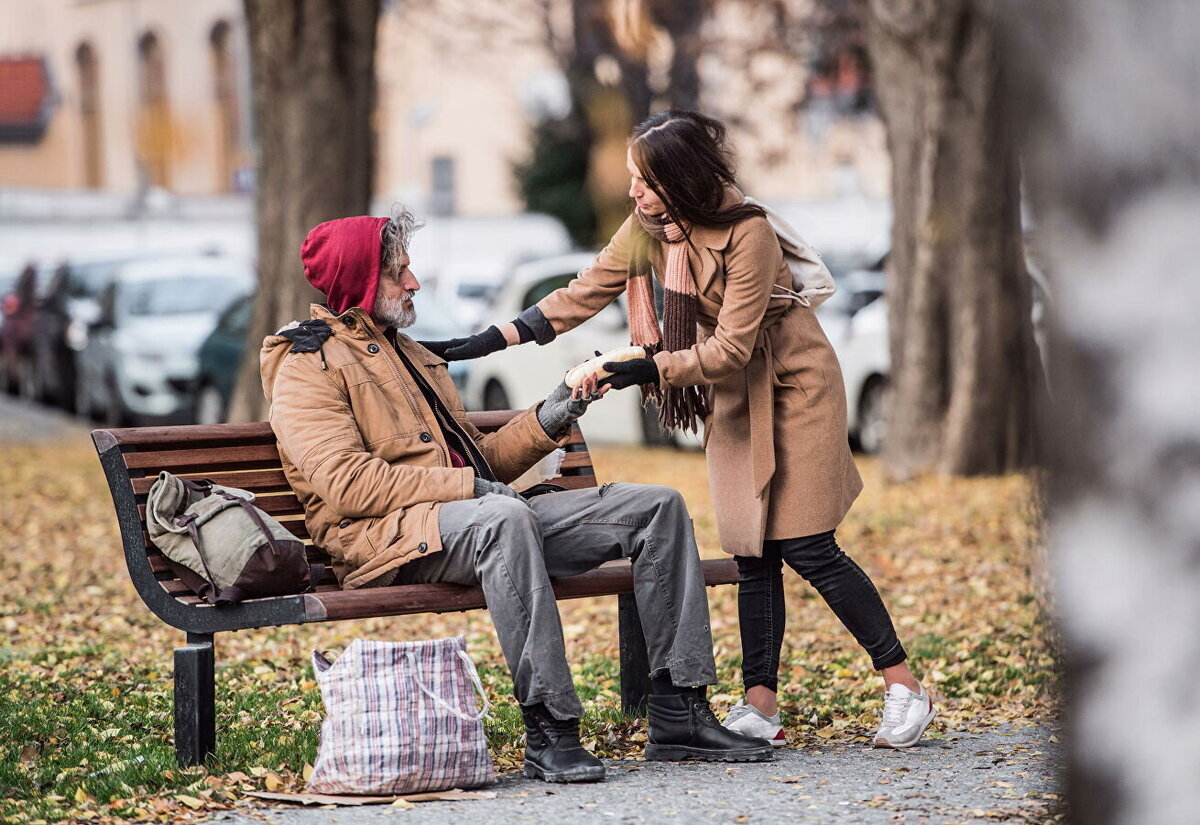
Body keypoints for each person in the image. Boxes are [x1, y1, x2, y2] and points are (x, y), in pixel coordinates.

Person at [421, 111, 935, 750]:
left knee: (807, 546)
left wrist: (640, 366)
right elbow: (584, 292)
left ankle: (904, 687)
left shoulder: (748, 233)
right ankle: (761, 708)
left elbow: (731, 350)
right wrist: (476, 342)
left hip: (791, 389)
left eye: (644, 180)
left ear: (680, 180)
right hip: (734, 403)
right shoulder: (650, 228)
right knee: (752, 554)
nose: (633, 193)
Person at [260, 209, 775, 785]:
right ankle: (550, 728)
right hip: (385, 541)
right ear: (358, 280)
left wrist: (556, 411)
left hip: (473, 521)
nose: (415, 282)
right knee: (504, 516)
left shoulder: (409, 353)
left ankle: (679, 712)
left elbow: (481, 463)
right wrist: (470, 488)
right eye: (399, 272)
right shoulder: (307, 361)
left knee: (656, 507)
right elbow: (347, 484)